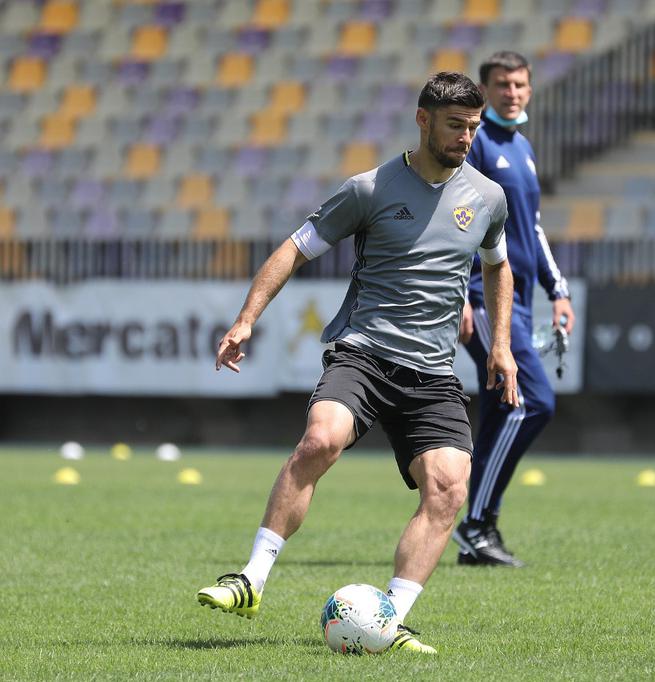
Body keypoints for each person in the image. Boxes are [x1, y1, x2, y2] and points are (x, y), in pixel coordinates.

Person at [195, 72, 518, 655]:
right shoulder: (369, 189)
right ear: (423, 121)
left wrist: (500, 345)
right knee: (322, 439)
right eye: (454, 125)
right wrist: (246, 320)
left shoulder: (489, 197)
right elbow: (294, 248)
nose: (466, 137)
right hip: (365, 350)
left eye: (473, 126)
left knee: (448, 489)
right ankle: (251, 579)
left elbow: (498, 265)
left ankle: (389, 621)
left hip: (433, 370)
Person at [452, 52, 575, 568]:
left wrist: (558, 288)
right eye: (502, 84)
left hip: (520, 300)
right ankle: (475, 525)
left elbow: (534, 229)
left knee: (505, 409)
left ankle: (480, 526)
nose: (513, 92)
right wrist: (458, 292)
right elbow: (452, 219)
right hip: (485, 299)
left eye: (521, 83)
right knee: (532, 402)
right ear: (484, 88)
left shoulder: (521, 147)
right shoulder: (473, 143)